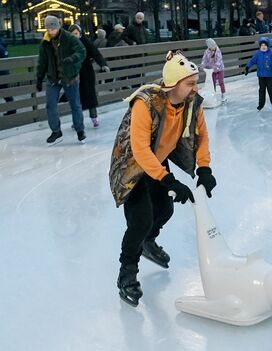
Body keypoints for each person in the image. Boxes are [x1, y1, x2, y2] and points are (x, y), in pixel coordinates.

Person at [109, 51, 216, 307]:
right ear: (172, 86)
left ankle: (148, 241)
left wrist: (205, 168)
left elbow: (201, 136)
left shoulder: (192, 102)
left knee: (165, 209)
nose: (195, 87)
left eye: (196, 81)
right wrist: (169, 181)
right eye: (190, 83)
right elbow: (140, 150)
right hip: (131, 166)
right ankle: (127, 273)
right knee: (140, 220)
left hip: (157, 160)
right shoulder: (145, 103)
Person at [36, 16, 86, 144]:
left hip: (70, 76)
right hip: (53, 77)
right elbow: (42, 62)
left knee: (75, 104)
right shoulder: (45, 42)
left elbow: (81, 51)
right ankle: (56, 131)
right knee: (50, 104)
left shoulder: (68, 38)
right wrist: (39, 77)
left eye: (53, 28)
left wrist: (72, 58)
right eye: (49, 29)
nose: (51, 31)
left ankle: (80, 130)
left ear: (58, 27)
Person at [69, 24, 110, 128]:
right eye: (73, 34)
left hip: (86, 72)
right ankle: (77, 121)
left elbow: (95, 53)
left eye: (76, 34)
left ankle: (94, 117)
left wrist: (103, 64)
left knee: (90, 95)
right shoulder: (67, 44)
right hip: (74, 73)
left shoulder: (85, 41)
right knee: (76, 98)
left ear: (80, 33)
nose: (75, 36)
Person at [245, 37, 272, 110]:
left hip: (269, 75)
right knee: (261, 90)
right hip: (261, 75)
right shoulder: (257, 53)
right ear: (260, 46)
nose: (263, 47)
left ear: (267, 46)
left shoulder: (271, 53)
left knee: (270, 89)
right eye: (262, 45)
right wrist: (247, 67)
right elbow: (252, 61)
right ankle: (261, 104)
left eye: (265, 45)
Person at [0, 37, 15, 116]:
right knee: (6, 92)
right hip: (4, 72)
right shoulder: (3, 46)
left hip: (1, 73)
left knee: (5, 92)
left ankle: (12, 109)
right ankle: (12, 109)